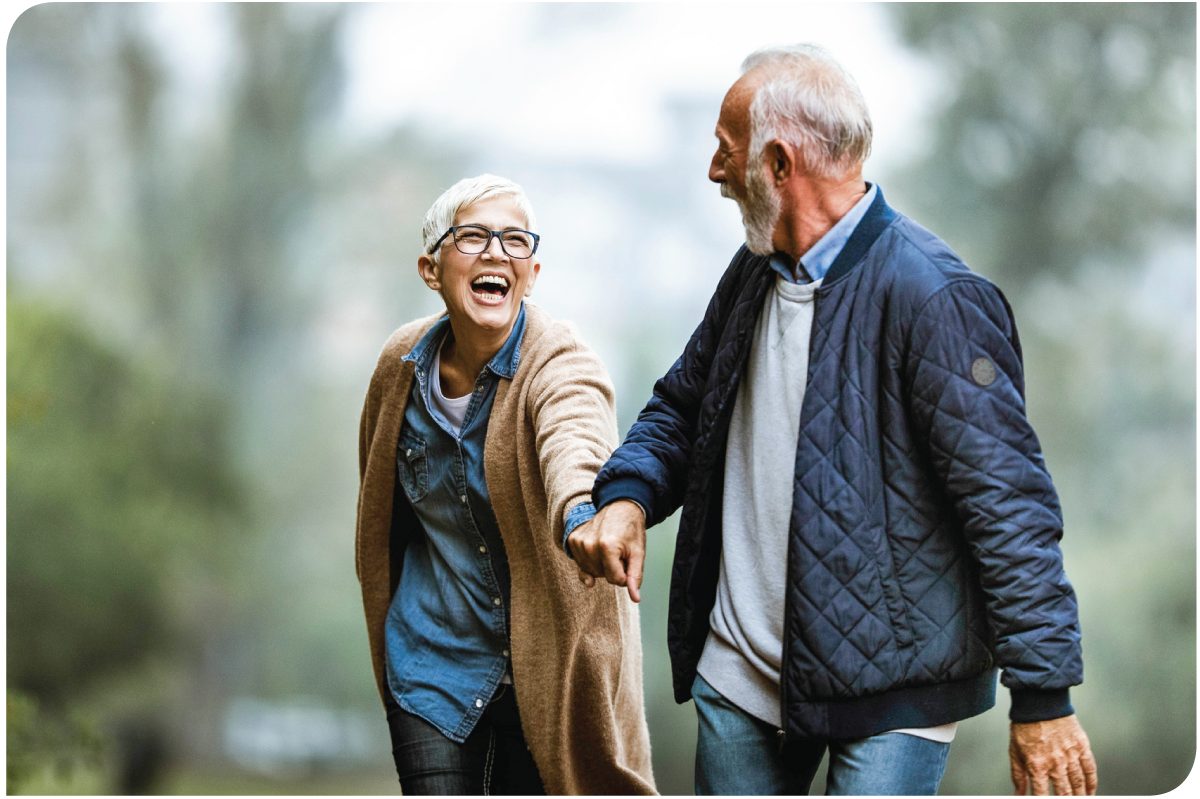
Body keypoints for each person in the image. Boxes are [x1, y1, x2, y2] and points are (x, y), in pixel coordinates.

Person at [569, 45, 1098, 796]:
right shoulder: (753, 270)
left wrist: (1044, 699)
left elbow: (1008, 507)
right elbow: (685, 407)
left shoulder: (937, 298)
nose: (714, 173)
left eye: (726, 153)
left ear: (779, 164)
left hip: (894, 693)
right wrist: (626, 499)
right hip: (739, 677)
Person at [356, 175, 655, 796]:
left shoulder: (562, 362)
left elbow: (575, 443)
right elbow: (379, 511)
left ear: (533, 271)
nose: (497, 253)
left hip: (542, 670)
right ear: (431, 267)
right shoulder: (399, 368)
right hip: (430, 658)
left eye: (515, 241)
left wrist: (581, 515)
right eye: (473, 237)